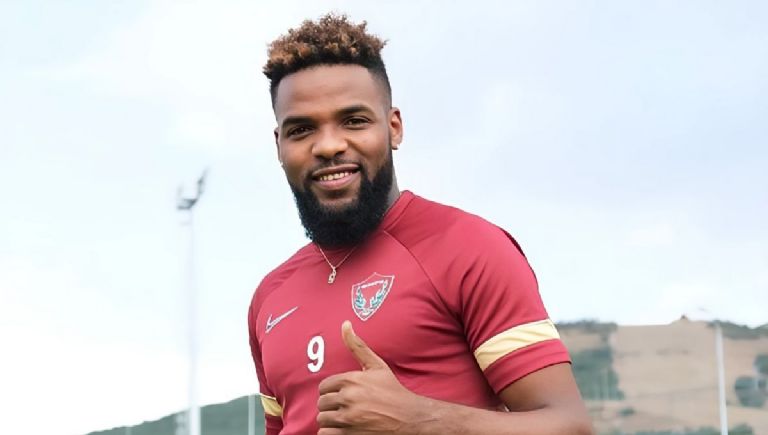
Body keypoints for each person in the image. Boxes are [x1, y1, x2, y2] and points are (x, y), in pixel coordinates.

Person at [248, 13, 592, 435]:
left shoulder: (468, 248)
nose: (329, 145)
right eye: (302, 129)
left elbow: (571, 427)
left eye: (354, 121)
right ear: (279, 145)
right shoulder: (269, 298)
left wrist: (418, 420)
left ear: (393, 128)